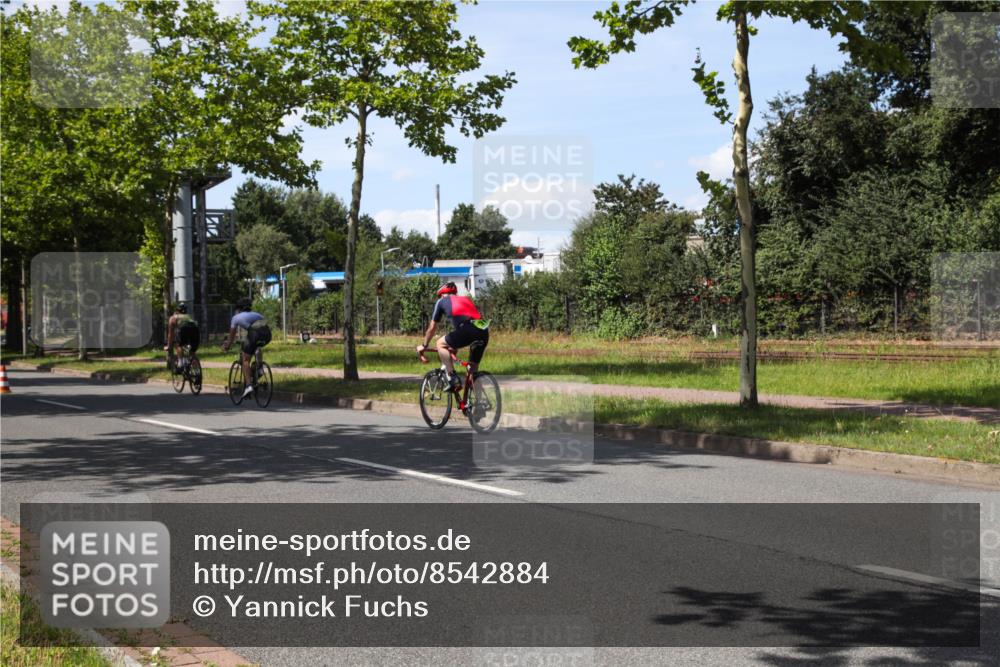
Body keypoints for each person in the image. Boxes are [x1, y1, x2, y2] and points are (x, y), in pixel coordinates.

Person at [416, 282, 489, 390]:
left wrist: (424, 345)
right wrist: (453, 346)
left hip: (468, 329)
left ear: (442, 294)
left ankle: (453, 378)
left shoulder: (441, 301)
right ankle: (479, 404)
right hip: (483, 329)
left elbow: (432, 328)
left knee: (440, 343)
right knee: (472, 371)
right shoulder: (466, 299)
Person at [222, 298, 272, 398]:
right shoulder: (257, 314)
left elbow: (231, 336)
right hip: (267, 335)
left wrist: (227, 346)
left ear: (239, 309)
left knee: (245, 360)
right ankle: (259, 367)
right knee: (256, 346)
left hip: (255, 333)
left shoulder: (235, 318)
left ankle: (249, 386)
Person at [163, 303, 200, 369]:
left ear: (177, 311)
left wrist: (169, 346)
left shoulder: (173, 317)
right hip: (195, 329)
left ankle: (181, 363)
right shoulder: (189, 316)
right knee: (192, 351)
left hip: (184, 329)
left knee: (178, 344)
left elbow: (170, 334)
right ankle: (196, 371)